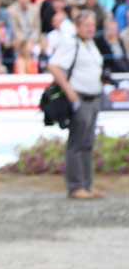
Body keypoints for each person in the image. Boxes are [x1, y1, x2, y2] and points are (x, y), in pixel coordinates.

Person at [47, 12, 104, 200]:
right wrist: (69, 90)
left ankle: (87, 185)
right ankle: (75, 186)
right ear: (78, 26)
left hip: (94, 97)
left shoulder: (90, 44)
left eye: (92, 24)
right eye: (86, 24)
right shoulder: (71, 43)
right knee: (77, 143)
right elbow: (53, 66)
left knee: (87, 143)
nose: (90, 28)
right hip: (80, 98)